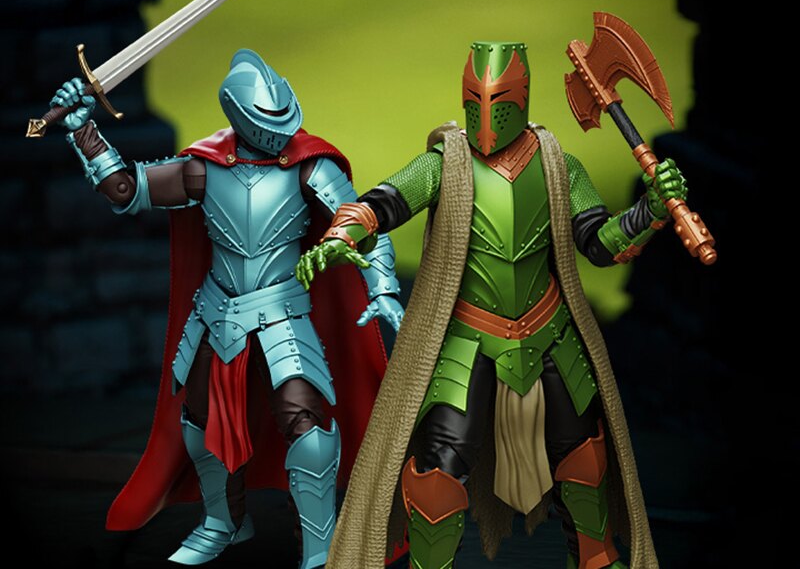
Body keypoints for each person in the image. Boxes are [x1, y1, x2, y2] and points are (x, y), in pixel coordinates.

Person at [297, 41, 687, 569]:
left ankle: (595, 558)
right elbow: (384, 202)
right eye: (476, 99)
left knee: (584, 456)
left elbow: (598, 242)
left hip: (550, 331)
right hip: (468, 338)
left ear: (521, 97)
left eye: (498, 99)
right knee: (437, 472)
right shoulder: (446, 165)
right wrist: (342, 234)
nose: (486, 114)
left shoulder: (558, 166)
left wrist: (649, 211)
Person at [51, 48, 404, 568]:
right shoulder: (205, 167)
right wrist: (83, 130)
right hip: (216, 315)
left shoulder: (310, 167)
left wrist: (383, 287)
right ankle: (224, 521)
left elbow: (362, 225)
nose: (279, 132)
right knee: (201, 421)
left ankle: (320, 547)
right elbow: (126, 190)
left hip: (283, 313)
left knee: (306, 426)